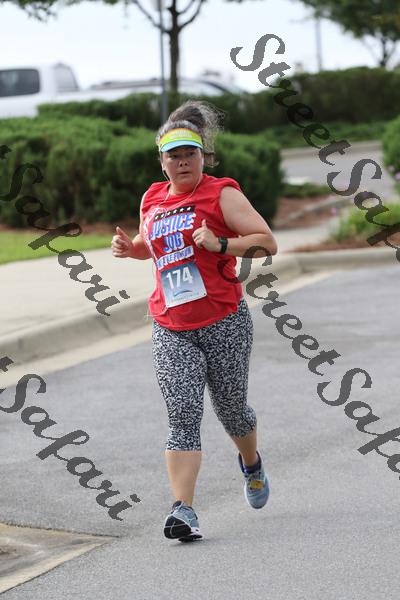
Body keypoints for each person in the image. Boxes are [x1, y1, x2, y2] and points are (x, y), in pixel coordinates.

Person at [111, 100, 278, 542]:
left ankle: (251, 464)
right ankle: (183, 510)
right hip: (171, 325)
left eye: (190, 153)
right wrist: (132, 249)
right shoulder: (152, 198)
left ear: (204, 156)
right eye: (174, 155)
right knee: (182, 414)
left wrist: (220, 243)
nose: (182, 162)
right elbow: (151, 245)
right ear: (162, 161)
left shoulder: (222, 194)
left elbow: (266, 243)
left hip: (224, 321)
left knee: (232, 410)